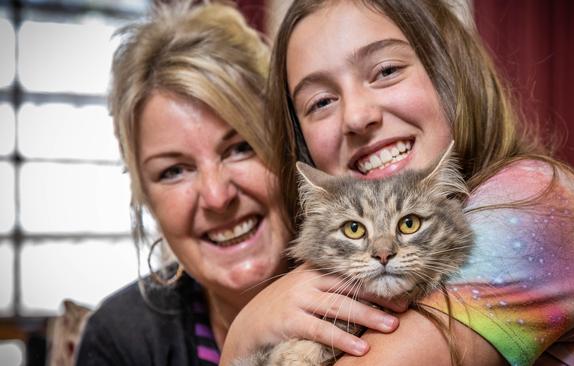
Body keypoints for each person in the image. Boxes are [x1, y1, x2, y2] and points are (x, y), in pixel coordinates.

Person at [221, 0, 574, 365]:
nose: (356, 116)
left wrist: (243, 337)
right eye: (321, 101)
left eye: (386, 70)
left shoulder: (535, 202)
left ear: (450, 71)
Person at [76, 2, 402, 365]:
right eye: (174, 171)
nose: (217, 197)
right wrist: (243, 340)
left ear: (291, 143)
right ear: (144, 197)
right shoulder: (118, 340)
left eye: (240, 148)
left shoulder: (394, 276)